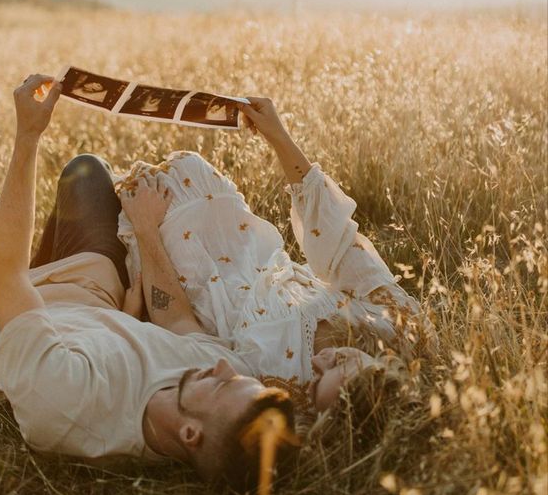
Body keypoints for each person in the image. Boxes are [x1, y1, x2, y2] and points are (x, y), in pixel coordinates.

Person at [0, 75, 296, 492]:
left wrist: (28, 136)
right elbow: (177, 318)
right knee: (87, 168)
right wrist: (147, 231)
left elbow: (10, 274)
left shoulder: (68, 402)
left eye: (221, 384)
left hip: (1, 299)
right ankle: (56, 246)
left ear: (190, 434)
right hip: (93, 287)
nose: (224, 366)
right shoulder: (228, 375)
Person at [115, 97, 427, 415]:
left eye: (316, 381)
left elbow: (179, 325)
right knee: (189, 165)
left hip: (174, 261)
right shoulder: (395, 327)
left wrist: (145, 228)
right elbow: (336, 238)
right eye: (339, 360)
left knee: (90, 174)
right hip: (238, 236)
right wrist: (276, 134)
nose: (318, 362)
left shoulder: (273, 392)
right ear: (383, 367)